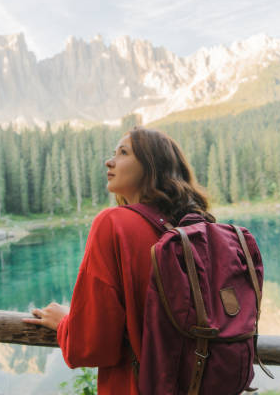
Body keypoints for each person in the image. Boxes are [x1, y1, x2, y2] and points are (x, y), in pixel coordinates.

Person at [22, 126, 215, 394]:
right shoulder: (199, 230)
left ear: (152, 168)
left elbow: (90, 345)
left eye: (123, 153)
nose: (109, 161)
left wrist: (64, 323)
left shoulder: (114, 224)